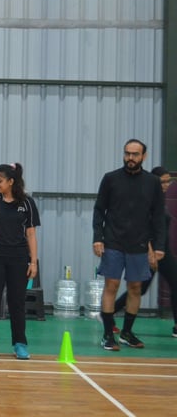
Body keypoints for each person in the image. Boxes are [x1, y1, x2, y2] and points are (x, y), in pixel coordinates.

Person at [93, 139, 165, 351]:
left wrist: (159, 246)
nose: (130, 158)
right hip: (113, 242)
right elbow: (99, 210)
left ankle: (126, 333)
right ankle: (108, 334)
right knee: (112, 286)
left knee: (135, 288)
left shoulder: (152, 182)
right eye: (127, 153)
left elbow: (158, 216)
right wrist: (98, 238)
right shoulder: (110, 179)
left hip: (139, 244)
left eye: (135, 154)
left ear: (144, 156)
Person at [0, 163, 40, 360]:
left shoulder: (27, 203)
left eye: (0, 180)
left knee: (17, 303)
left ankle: (20, 344)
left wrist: (33, 262)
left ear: (11, 181)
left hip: (19, 260)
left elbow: (31, 234)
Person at [110, 166, 177, 337]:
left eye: (168, 181)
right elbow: (144, 229)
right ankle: (107, 316)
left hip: (163, 252)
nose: (166, 185)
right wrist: (150, 252)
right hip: (151, 253)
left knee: (166, 285)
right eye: (162, 181)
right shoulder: (148, 200)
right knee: (139, 289)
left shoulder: (160, 199)